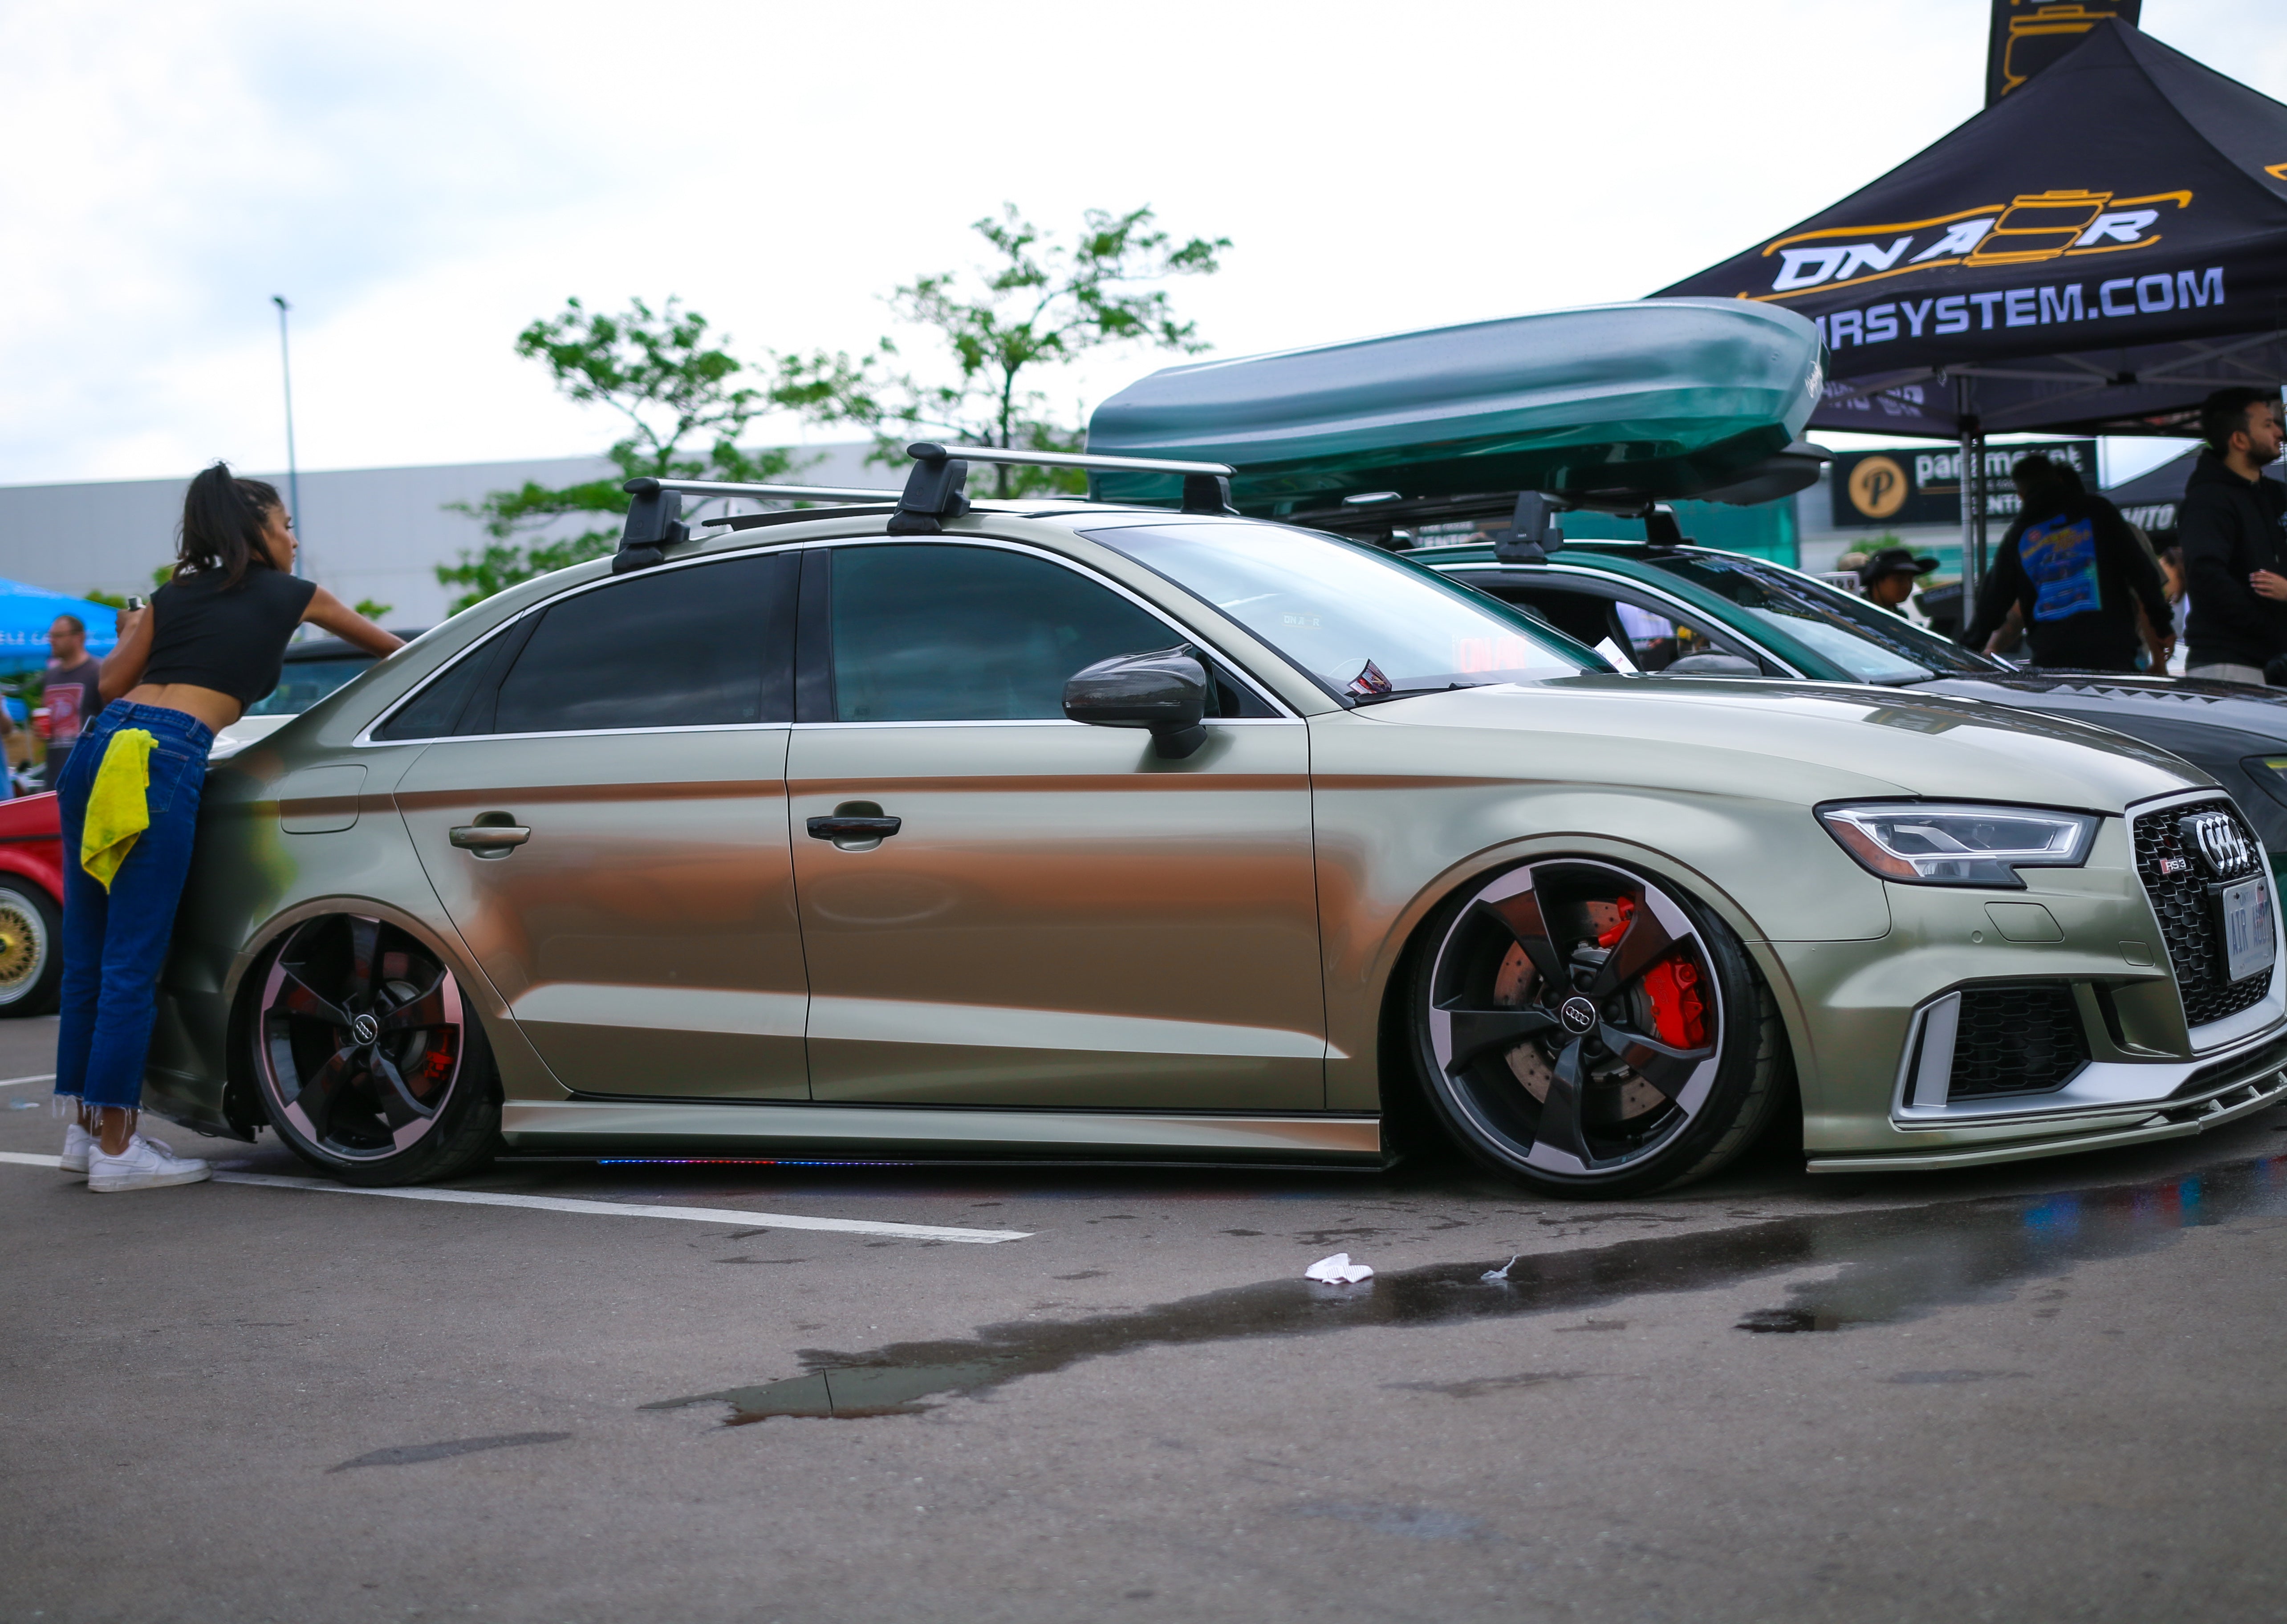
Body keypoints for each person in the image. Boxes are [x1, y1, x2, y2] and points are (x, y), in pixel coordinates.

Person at [54, 463, 402, 1193]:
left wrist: (141, 626)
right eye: (286, 525)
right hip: (164, 754)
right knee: (132, 962)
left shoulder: (174, 593)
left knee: (90, 958)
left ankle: (86, 1135)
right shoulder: (294, 595)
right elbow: (397, 654)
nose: (295, 539)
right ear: (261, 533)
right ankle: (119, 1149)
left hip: (99, 749)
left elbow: (111, 685)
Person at [1967, 452, 2171, 672]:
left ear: (2022, 495)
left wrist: (1969, 648)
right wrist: (2162, 625)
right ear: (2057, 480)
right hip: (2112, 654)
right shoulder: (2099, 512)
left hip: (2053, 659)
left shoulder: (2020, 535)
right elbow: (2142, 574)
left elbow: (1994, 599)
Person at [2180, 387, 2287, 685]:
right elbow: (2206, 576)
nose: (2279, 432)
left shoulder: (2276, 495)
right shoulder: (2208, 499)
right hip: (2229, 662)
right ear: (2239, 439)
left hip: (2273, 660)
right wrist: (2269, 628)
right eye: (2268, 425)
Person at [40, 613, 106, 789]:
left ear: (79, 637)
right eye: (51, 636)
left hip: (88, 775)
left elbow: (110, 724)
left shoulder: (98, 672)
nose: (52, 641)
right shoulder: (50, 676)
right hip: (55, 774)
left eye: (59, 636)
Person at [1856, 547, 1938, 611]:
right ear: (1877, 581)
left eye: (1910, 580)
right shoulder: (1857, 613)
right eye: (1899, 580)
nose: (1907, 586)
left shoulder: (1899, 615)